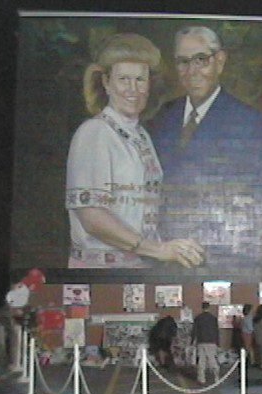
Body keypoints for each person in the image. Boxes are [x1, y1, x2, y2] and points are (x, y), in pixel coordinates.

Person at [65, 33, 204, 269]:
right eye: (123, 79)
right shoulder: (94, 133)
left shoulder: (140, 135)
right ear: (106, 83)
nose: (133, 89)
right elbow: (92, 218)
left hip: (138, 271)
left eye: (140, 80)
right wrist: (159, 250)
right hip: (100, 276)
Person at [149, 25, 262, 273]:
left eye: (201, 60)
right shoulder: (162, 118)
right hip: (163, 262)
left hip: (222, 264)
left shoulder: (251, 124)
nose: (192, 71)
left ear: (219, 61)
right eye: (183, 62)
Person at [191, 301, 220, 384]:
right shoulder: (213, 318)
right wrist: (218, 343)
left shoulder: (198, 318)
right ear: (209, 307)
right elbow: (216, 331)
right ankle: (216, 376)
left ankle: (201, 379)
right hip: (211, 341)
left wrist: (192, 341)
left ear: (202, 307)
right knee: (212, 359)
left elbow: (194, 331)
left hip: (201, 341)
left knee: (201, 361)